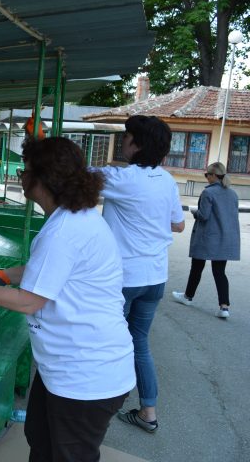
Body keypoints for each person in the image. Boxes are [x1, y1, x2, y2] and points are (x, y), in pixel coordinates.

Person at [0, 137, 134, 462]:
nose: (20, 174)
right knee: (40, 440)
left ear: (43, 178)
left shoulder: (65, 231)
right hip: (65, 368)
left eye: (25, 169)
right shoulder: (73, 218)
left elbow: (28, 302)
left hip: (86, 376)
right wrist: (4, 275)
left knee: (67, 455)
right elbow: (47, 270)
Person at [92, 115, 185, 434]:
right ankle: (148, 410)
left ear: (138, 144)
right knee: (139, 343)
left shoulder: (121, 178)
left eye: (127, 136)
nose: (123, 141)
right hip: (155, 277)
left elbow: (71, 173)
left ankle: (95, 406)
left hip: (123, 279)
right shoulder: (168, 180)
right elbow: (178, 223)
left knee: (105, 339)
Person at [172, 162, 240, 318]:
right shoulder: (233, 194)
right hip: (224, 238)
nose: (206, 177)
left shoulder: (208, 193)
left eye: (207, 174)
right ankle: (224, 307)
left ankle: (188, 297)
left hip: (206, 237)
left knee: (196, 267)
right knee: (219, 272)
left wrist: (194, 212)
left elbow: (204, 215)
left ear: (214, 175)